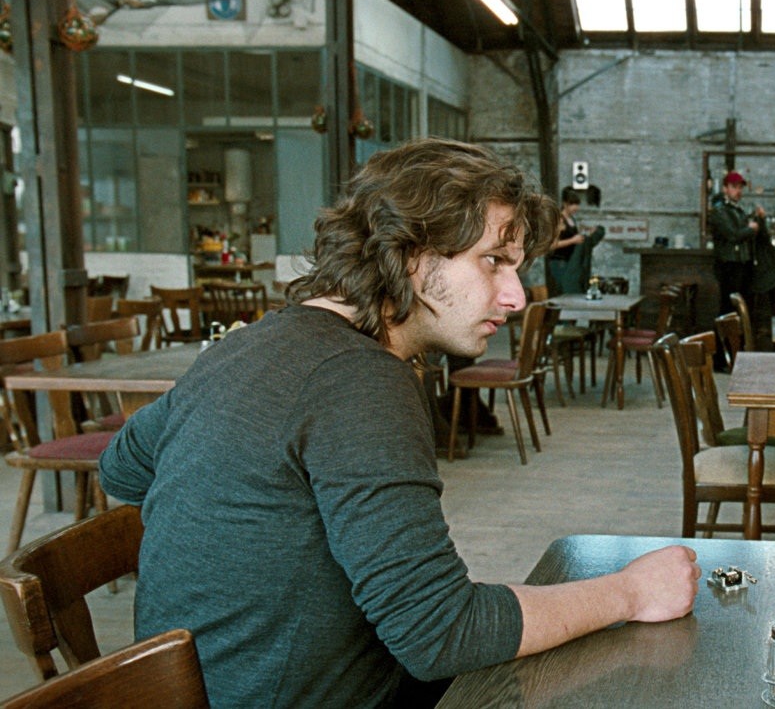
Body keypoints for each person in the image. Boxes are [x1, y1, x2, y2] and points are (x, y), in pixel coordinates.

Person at [99, 138, 700, 708]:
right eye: (493, 262)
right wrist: (629, 591)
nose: (516, 296)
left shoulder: (249, 343)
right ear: (410, 253)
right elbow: (441, 631)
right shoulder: (360, 380)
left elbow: (122, 469)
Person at [707, 170, 765, 315]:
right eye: (734, 187)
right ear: (725, 189)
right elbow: (733, 235)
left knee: (742, 308)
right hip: (729, 265)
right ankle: (727, 331)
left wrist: (758, 220)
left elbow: (743, 232)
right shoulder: (719, 212)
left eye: (740, 187)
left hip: (742, 263)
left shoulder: (738, 211)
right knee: (729, 308)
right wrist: (751, 229)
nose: (738, 191)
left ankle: (741, 330)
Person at [546, 188, 604, 294]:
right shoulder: (559, 220)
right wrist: (572, 241)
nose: (576, 207)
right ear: (565, 204)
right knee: (564, 292)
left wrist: (589, 231)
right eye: (572, 204)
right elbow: (552, 245)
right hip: (560, 263)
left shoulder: (572, 219)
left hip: (571, 263)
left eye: (577, 204)